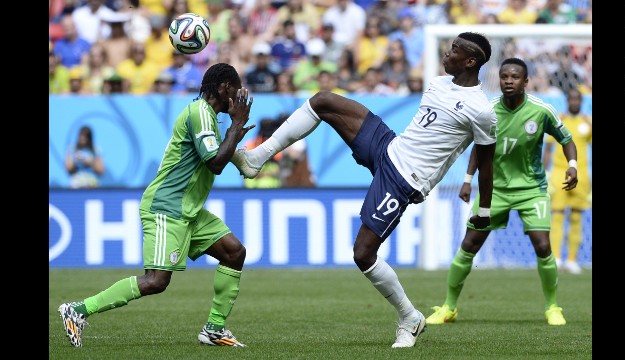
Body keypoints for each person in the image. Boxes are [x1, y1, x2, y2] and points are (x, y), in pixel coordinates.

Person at [231, 32, 498, 348]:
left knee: (362, 253)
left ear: (470, 61)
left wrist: (484, 210)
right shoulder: (439, 83)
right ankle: (256, 159)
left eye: (455, 49)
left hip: (404, 180)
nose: (447, 52)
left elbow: (486, 160)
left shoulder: (481, 110)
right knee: (323, 100)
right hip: (388, 146)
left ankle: (409, 318)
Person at [58, 63, 255, 348]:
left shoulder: (208, 115)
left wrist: (235, 135)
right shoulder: (199, 112)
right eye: (235, 91)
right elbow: (214, 163)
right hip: (167, 206)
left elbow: (217, 158)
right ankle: (78, 310)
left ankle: (214, 329)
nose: (238, 98)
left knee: (234, 252)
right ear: (224, 87)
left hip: (189, 209)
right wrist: (236, 127)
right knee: (156, 281)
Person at [425, 58, 578, 327]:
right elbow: (478, 147)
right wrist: (467, 180)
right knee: (469, 244)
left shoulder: (542, 111)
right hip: (492, 191)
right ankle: (448, 307)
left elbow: (566, 140)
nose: (509, 81)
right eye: (505, 76)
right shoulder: (489, 110)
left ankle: (553, 306)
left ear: (525, 82)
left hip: (532, 190)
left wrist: (573, 166)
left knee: (543, 246)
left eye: (515, 77)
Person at [543, 88, 592, 274]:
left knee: (576, 216)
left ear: (581, 101)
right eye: (571, 99)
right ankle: (556, 258)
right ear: (567, 101)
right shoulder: (558, 121)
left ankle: (572, 260)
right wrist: (545, 173)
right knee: (557, 216)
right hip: (558, 173)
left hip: (582, 175)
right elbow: (548, 149)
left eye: (577, 99)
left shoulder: (587, 123)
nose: (574, 102)